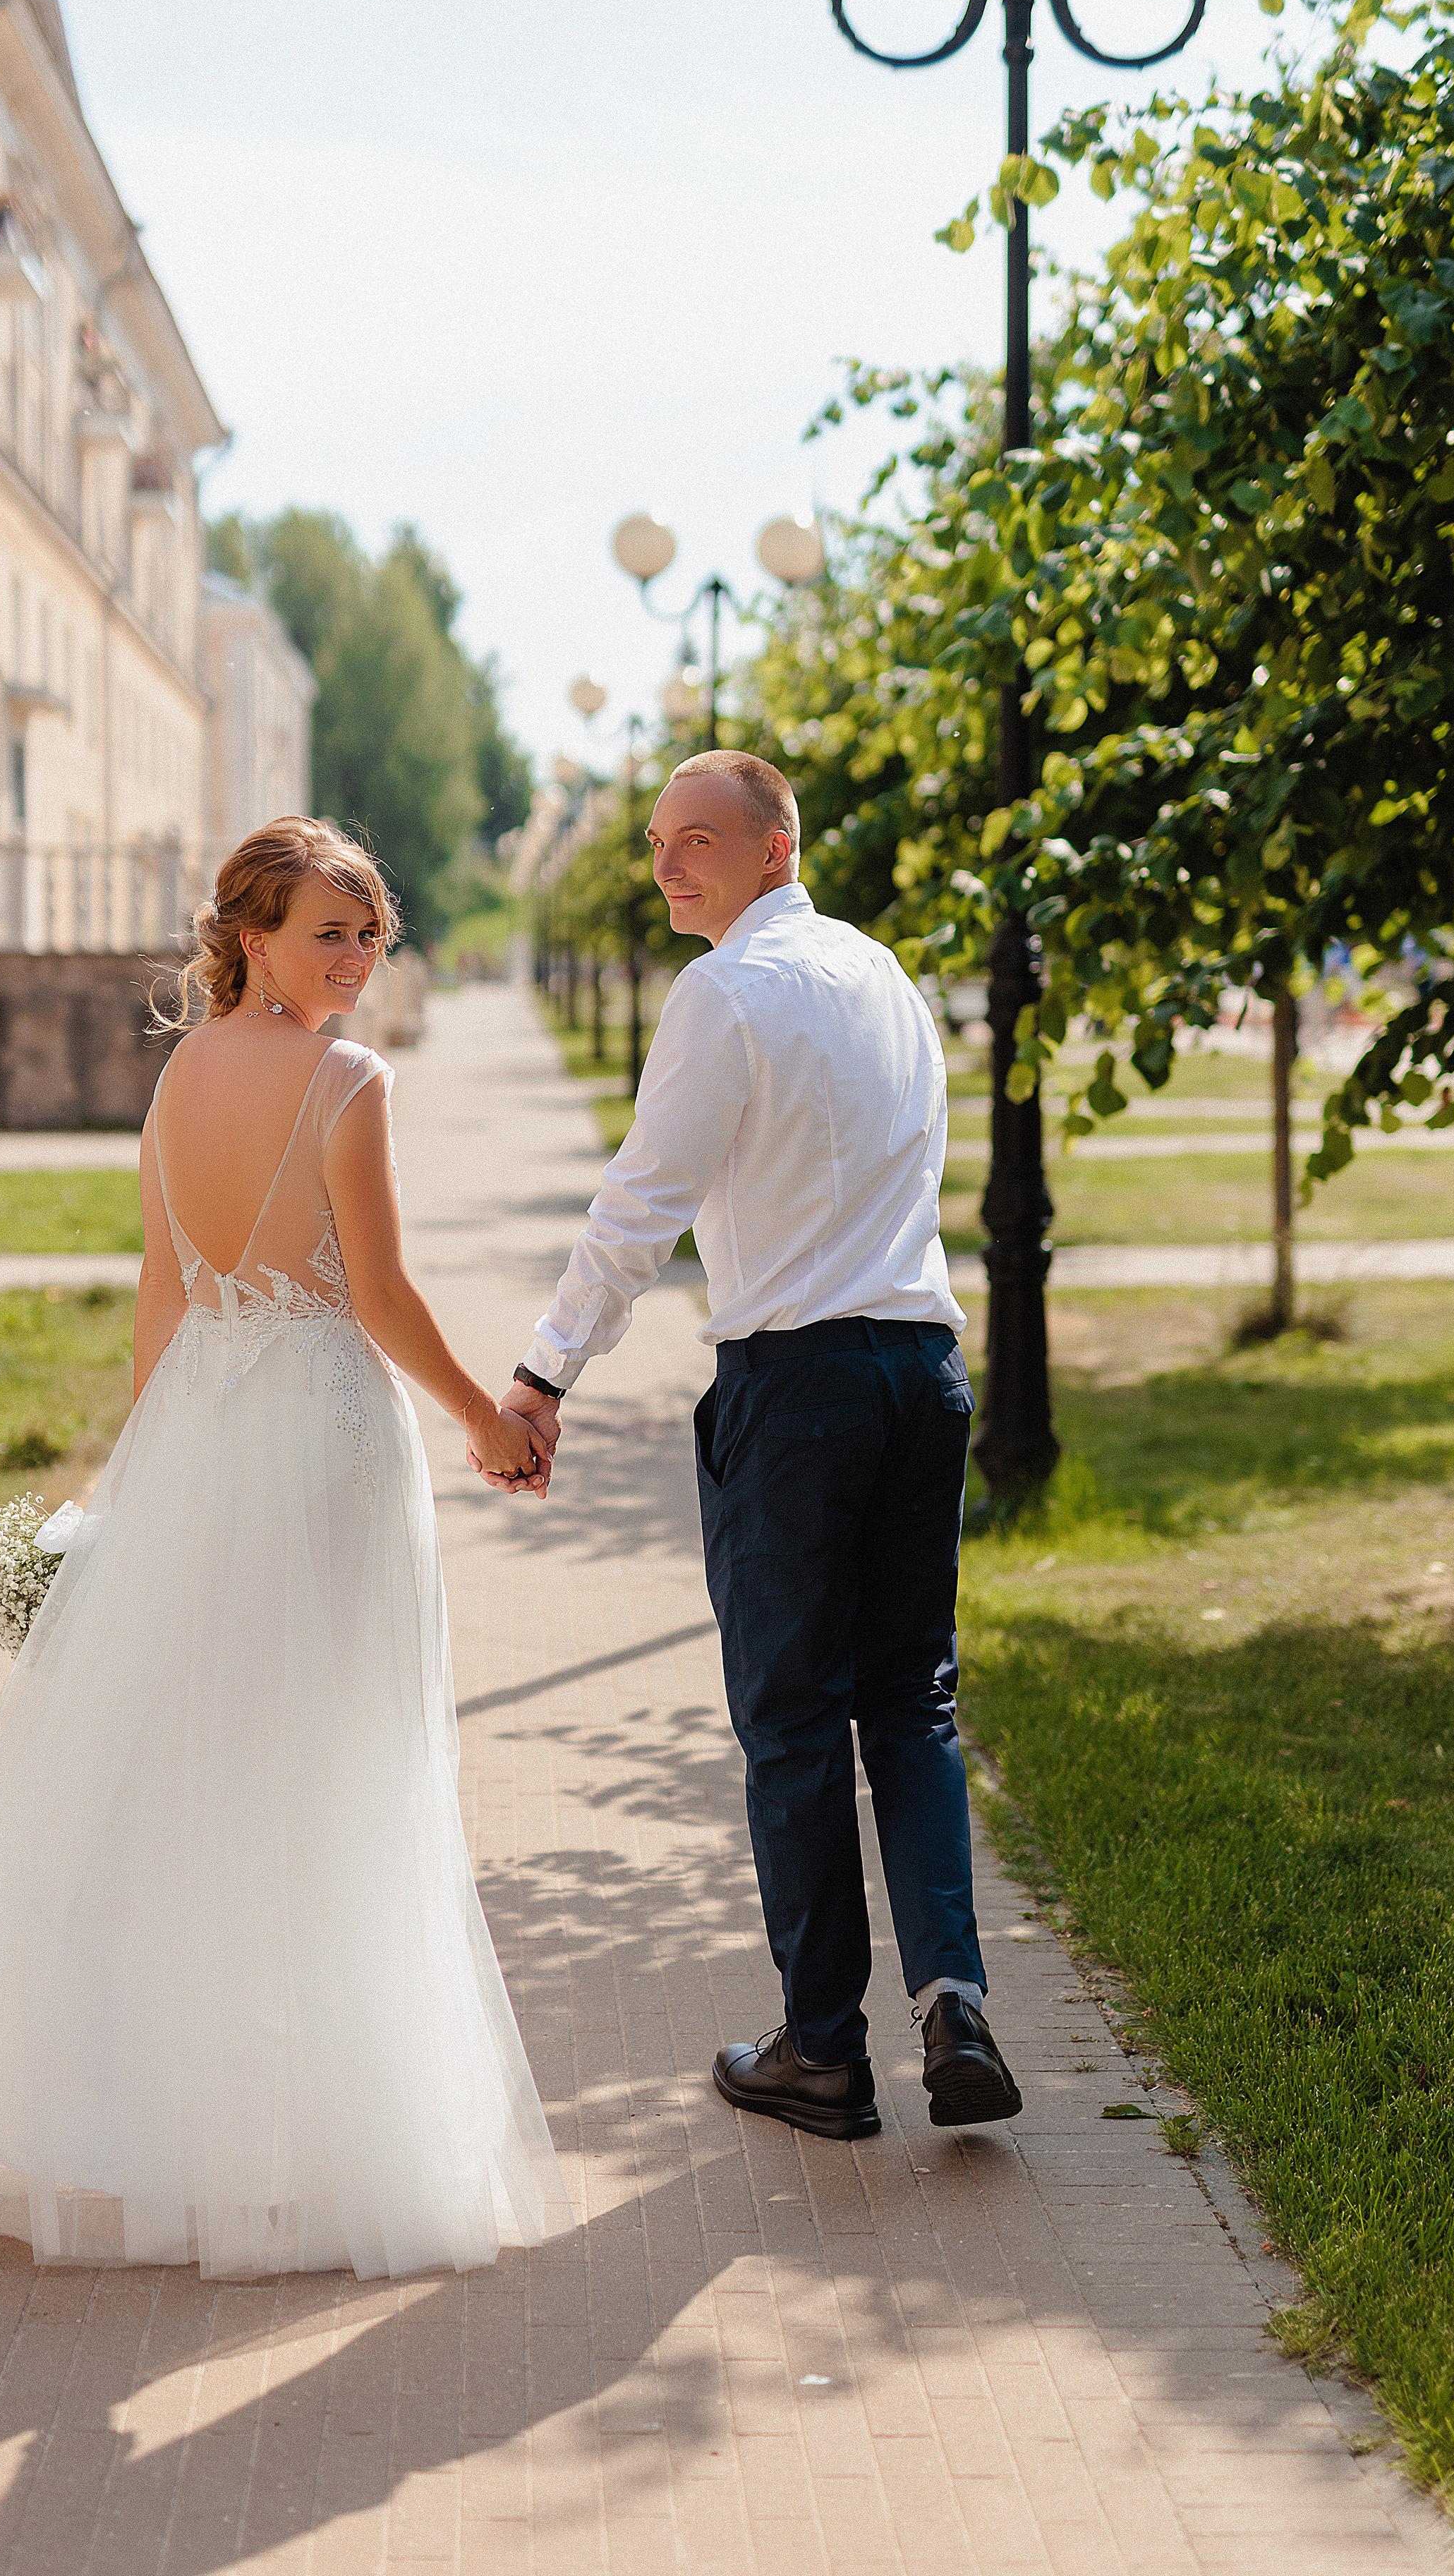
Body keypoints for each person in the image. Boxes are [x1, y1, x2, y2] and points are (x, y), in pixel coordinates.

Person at [0, 816, 572, 2280]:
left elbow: (165, 1292)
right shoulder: (347, 1079)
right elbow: (381, 1295)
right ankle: (302, 2129)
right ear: (251, 935)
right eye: (330, 930)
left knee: (192, 1763)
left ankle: (170, 2113)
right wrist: (484, 1418)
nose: (356, 957)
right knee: (327, 1763)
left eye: (368, 933)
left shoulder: (179, 1071)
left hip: (209, 1432)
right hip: (321, 1442)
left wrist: (141, 1476)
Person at [495, 752, 1022, 2141]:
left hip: (797, 1389)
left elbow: (640, 1201)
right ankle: (953, 1997)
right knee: (907, 1698)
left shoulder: (721, 992)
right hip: (922, 1370)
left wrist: (545, 1370)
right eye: (661, 843)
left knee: (789, 1714)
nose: (671, 866)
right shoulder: (885, 980)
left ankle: (823, 2051)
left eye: (701, 843)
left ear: (775, 850)